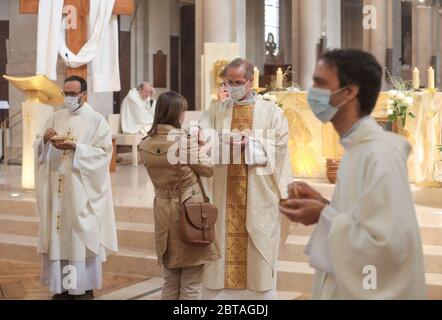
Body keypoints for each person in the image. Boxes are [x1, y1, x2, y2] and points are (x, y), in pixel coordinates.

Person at [279, 49, 426, 300]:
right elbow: (362, 220)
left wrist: (322, 213)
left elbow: (387, 247)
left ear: (349, 92)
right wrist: (324, 205)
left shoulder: (378, 155)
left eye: (320, 83)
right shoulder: (357, 150)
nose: (312, 91)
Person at [199, 58, 293, 300]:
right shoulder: (217, 110)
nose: (232, 86)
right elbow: (203, 136)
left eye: (238, 82)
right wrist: (205, 138)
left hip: (258, 195)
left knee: (257, 258)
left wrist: (250, 143)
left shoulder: (271, 112)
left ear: (250, 82)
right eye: (228, 82)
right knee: (220, 252)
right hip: (223, 195)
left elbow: (281, 146)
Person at [34, 75, 118, 300]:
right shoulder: (56, 117)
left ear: (84, 94)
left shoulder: (96, 120)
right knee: (60, 238)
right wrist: (44, 140)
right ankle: (61, 289)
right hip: (57, 194)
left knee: (79, 240)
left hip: (80, 193)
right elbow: (40, 150)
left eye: (73, 94)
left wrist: (77, 149)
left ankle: (82, 289)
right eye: (66, 94)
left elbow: (104, 154)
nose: (68, 98)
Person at [139, 91, 220, 300]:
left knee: (170, 280)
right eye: (183, 111)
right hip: (188, 211)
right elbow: (208, 168)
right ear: (177, 113)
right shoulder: (183, 141)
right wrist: (202, 147)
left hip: (163, 211)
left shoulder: (146, 143)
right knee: (192, 281)